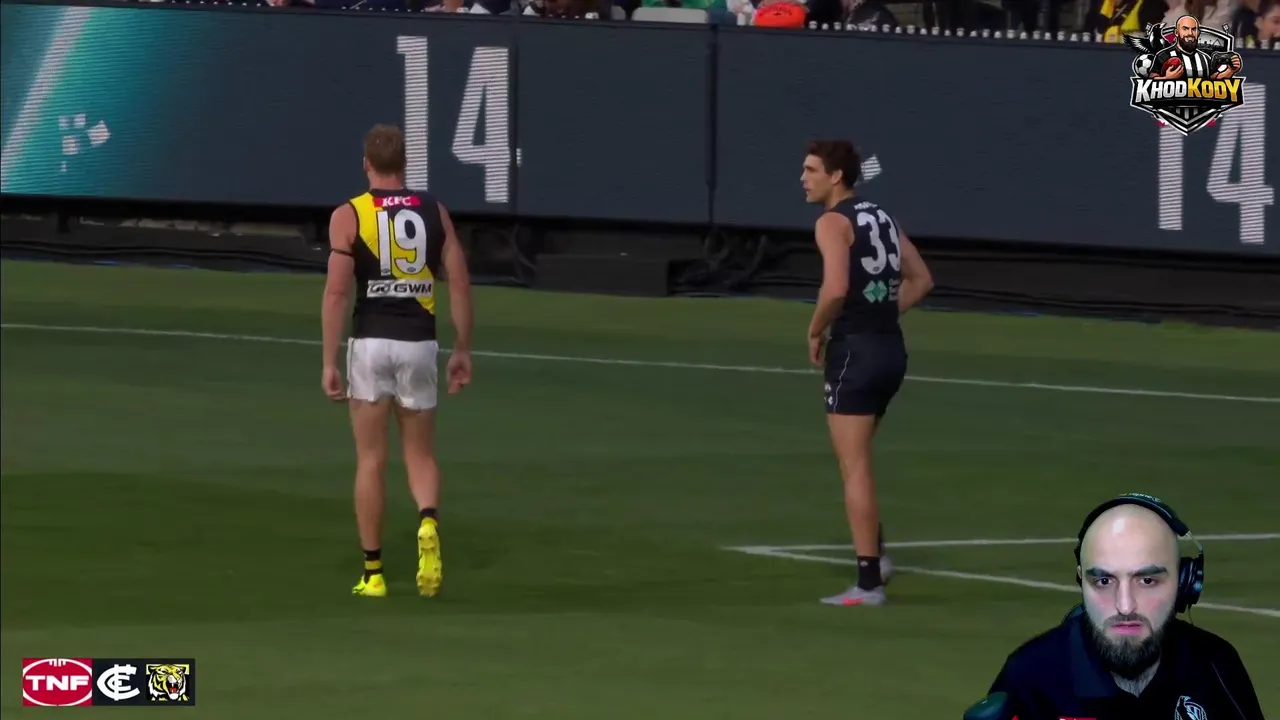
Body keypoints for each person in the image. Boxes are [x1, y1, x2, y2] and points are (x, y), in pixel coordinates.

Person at [320, 124, 474, 599]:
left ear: (366, 164)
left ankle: (374, 572)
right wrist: (462, 348)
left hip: (370, 343)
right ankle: (427, 519)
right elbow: (460, 284)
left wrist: (329, 361)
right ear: (405, 163)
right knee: (420, 454)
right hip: (418, 343)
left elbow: (337, 293)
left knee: (371, 459)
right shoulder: (434, 211)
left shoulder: (349, 215)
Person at [981, 493, 1266, 719]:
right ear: (1081, 580)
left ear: (1183, 582)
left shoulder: (1215, 664)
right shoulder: (1030, 678)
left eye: (1147, 581)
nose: (1125, 605)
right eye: (1104, 581)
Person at [800, 139, 934, 607]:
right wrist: (881, 315)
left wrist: (815, 329)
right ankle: (877, 556)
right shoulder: (881, 216)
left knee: (854, 466)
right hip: (890, 350)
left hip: (854, 354)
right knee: (854, 458)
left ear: (836, 176)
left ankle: (869, 582)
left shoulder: (831, 223)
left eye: (812, 170)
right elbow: (922, 279)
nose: (804, 179)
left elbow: (836, 288)